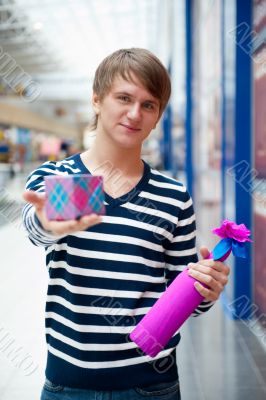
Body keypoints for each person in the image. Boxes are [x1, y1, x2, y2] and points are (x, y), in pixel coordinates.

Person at [22, 48, 229, 400]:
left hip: (150, 385)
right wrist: (48, 221)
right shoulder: (62, 179)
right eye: (124, 98)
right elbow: (36, 228)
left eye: (149, 105)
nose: (135, 114)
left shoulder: (173, 196)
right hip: (68, 382)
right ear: (97, 99)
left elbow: (186, 298)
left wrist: (206, 290)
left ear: (157, 116)